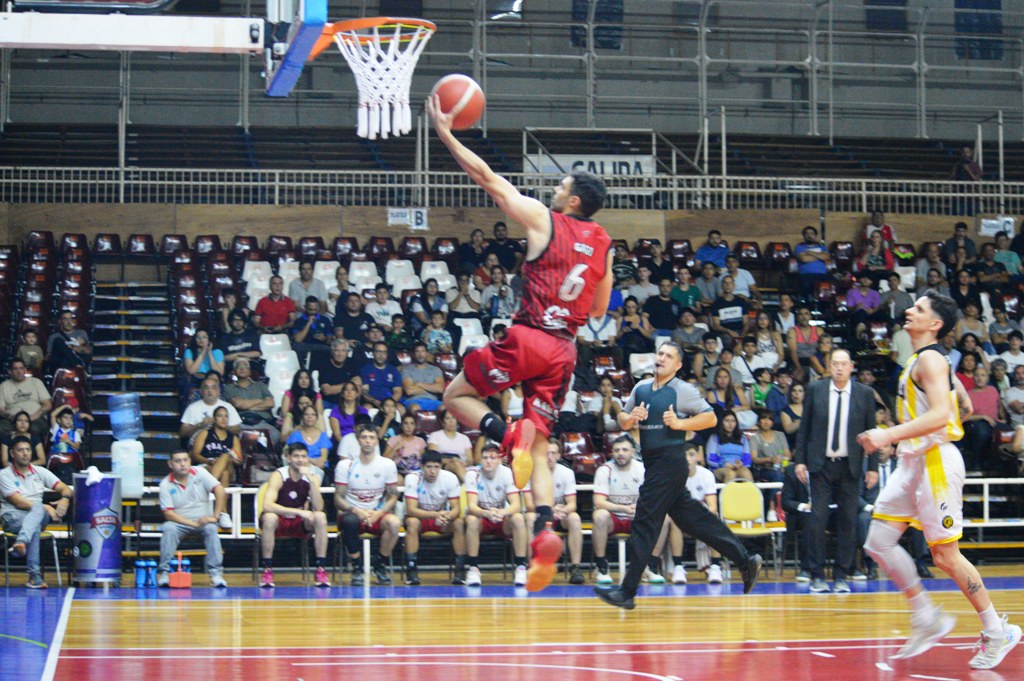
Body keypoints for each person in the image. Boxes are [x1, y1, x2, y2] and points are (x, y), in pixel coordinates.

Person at [429, 92, 613, 593]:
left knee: (456, 397)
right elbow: (598, 310)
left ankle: (505, 435)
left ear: (572, 201)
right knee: (545, 443)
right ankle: (545, 527)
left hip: (530, 335)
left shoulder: (543, 219)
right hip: (564, 351)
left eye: (562, 185)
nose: (555, 188)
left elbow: (487, 179)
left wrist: (446, 132)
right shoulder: (601, 241)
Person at [859, 292, 1021, 668]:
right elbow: (959, 407)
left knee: (945, 555)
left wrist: (889, 434)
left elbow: (939, 416)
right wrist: (921, 433)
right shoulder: (923, 360)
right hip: (913, 462)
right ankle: (925, 615)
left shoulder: (931, 359)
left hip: (934, 465)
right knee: (878, 540)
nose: (909, 310)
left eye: (918, 308)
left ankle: (998, 631)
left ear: (934, 324)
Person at [594, 341, 762, 610]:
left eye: (668, 356)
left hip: (670, 462)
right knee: (694, 520)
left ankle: (627, 591)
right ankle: (745, 560)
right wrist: (631, 418)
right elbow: (622, 420)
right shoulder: (641, 387)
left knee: (645, 521)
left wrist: (681, 423)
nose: (661, 358)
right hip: (654, 462)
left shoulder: (682, 391)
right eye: (659, 353)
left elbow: (710, 419)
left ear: (678, 365)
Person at [793, 347, 878, 594]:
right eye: (835, 364)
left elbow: (872, 432)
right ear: (829, 367)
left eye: (844, 363)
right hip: (821, 465)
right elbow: (804, 430)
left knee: (848, 522)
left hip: (850, 466)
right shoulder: (815, 390)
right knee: (817, 520)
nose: (839, 368)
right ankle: (817, 574)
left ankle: (842, 573)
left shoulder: (864, 394)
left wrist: (872, 468)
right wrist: (800, 461)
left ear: (852, 367)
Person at [0, 435, 74, 588]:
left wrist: (65, 499)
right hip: (12, 516)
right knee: (34, 526)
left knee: (34, 520)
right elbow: (17, 501)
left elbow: (65, 488)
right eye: (21, 450)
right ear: (12, 453)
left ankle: (21, 543)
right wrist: (44, 507)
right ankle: (34, 576)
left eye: (27, 450)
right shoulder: (4, 475)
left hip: (37, 517)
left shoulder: (40, 472)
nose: (25, 453)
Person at [334, 424, 401, 586]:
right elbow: (338, 498)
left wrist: (378, 513)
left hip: (377, 513)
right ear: (358, 440)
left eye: (371, 438)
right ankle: (357, 567)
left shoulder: (387, 465)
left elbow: (393, 495)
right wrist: (356, 510)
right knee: (350, 521)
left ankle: (379, 565)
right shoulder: (345, 466)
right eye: (364, 437)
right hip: (353, 513)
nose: (368, 441)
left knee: (394, 523)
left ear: (377, 441)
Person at [258, 442, 331, 588]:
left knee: (320, 517)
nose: (300, 460)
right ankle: (267, 570)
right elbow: (267, 505)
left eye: (303, 456)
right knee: (269, 518)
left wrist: (312, 482)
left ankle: (321, 569)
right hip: (280, 519)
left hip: (299, 523)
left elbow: (319, 507)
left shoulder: (311, 476)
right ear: (289, 458)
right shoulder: (279, 475)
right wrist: (299, 511)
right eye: (296, 456)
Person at [157, 450, 230, 588]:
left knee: (211, 529)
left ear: (190, 461)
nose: (182, 464)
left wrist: (215, 516)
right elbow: (169, 514)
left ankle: (216, 574)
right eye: (178, 461)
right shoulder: (165, 484)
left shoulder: (200, 473)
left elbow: (220, 490)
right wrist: (192, 524)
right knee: (168, 528)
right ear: (170, 464)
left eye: (185, 460)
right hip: (179, 522)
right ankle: (165, 573)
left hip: (204, 520)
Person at [463, 442, 530, 587]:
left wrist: (501, 512)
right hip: (482, 517)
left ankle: (520, 567)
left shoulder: (507, 473)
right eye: (485, 457)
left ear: (500, 460)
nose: (488, 461)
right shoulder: (472, 474)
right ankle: (473, 569)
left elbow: (516, 505)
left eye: (493, 458)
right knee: (471, 520)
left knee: (518, 518)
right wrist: (487, 513)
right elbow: (472, 506)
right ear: (480, 460)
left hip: (501, 517)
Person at [526, 438, 584, 584]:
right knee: (529, 517)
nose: (550, 457)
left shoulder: (566, 472)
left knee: (575, 518)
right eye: (546, 453)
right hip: (541, 515)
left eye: (553, 453)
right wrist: (551, 510)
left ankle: (575, 568)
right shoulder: (531, 471)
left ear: (559, 455)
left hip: (560, 516)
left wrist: (563, 510)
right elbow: (530, 505)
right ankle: (532, 566)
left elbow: (572, 504)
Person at [402, 450, 465, 585]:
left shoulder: (450, 478)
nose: (432, 471)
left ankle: (460, 569)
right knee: (412, 523)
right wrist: (435, 514)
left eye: (436, 467)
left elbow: (456, 508)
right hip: (421, 518)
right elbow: (411, 510)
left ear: (441, 467)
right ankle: (411, 568)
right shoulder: (412, 478)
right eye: (429, 467)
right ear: (422, 467)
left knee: (459, 523)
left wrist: (448, 516)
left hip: (441, 519)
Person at [591, 434, 645, 585]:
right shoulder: (604, 470)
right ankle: (601, 566)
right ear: (612, 453)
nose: (620, 453)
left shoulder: (642, 469)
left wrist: (639, 507)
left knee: (663, 517)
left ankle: (650, 566)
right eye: (617, 450)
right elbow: (599, 502)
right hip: (613, 518)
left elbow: (652, 499)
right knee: (599, 515)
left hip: (636, 518)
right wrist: (624, 508)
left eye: (624, 450)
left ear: (633, 452)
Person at [179, 374, 242, 445]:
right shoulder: (192, 408)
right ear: (201, 391)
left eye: (213, 388)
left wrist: (221, 424)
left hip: (224, 445)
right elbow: (182, 433)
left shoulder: (228, 407)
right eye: (206, 388)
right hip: (198, 445)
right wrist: (200, 425)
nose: (210, 390)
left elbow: (237, 431)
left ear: (219, 391)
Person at [190, 405, 242, 488]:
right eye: (220, 416)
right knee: (224, 474)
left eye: (226, 416)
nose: (223, 419)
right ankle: (220, 500)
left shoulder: (233, 438)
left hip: (228, 466)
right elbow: (195, 454)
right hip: (207, 464)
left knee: (225, 456)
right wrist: (209, 461)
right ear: (214, 419)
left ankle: (209, 488)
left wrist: (232, 459)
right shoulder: (205, 433)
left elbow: (239, 460)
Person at [0, 358, 52, 439]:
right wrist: (11, 417)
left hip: (35, 418)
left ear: (25, 370)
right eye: (15, 369)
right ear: (10, 371)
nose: (19, 371)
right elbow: (1, 409)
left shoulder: (36, 382)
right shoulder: (3, 386)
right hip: (12, 420)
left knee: (34, 429)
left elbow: (48, 404)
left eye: (21, 368)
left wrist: (30, 418)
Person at [704, 410, 754, 482]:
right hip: (719, 468)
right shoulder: (714, 437)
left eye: (733, 421)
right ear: (721, 422)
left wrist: (741, 463)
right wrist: (723, 464)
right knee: (730, 474)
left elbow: (747, 458)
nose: (730, 424)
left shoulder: (742, 438)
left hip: (738, 467)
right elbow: (710, 459)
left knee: (746, 473)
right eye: (727, 421)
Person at [285, 405, 332, 479]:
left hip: (318, 468)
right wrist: (312, 460)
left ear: (316, 418)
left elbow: (323, 459)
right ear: (302, 418)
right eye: (306, 414)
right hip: (299, 466)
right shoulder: (296, 435)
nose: (309, 417)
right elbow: (294, 455)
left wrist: (313, 463)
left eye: (313, 414)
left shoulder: (323, 436)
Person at [426, 409, 473, 481]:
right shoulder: (435, 436)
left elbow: (470, 459)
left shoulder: (464, 438)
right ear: (442, 422)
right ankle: (470, 486)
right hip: (443, 464)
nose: (451, 421)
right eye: (447, 418)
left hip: (462, 464)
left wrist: (465, 463)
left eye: (453, 418)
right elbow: (433, 457)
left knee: (459, 465)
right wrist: (451, 460)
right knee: (455, 464)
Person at [400, 343, 445, 412]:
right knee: (414, 408)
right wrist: (431, 388)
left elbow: (440, 388)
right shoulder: (407, 370)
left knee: (444, 408)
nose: (420, 354)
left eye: (423, 351)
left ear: (427, 353)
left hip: (433, 402)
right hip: (413, 401)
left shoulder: (436, 370)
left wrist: (419, 384)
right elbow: (409, 391)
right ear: (413, 354)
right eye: (417, 351)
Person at [383, 413, 426, 481]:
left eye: (412, 423)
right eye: (406, 423)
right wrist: (395, 448)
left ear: (415, 426)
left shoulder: (420, 441)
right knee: (398, 479)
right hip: (397, 472)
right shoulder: (394, 439)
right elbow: (384, 460)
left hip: (416, 472)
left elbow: (425, 461)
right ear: (402, 426)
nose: (409, 426)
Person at [181, 330, 224, 397]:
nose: (201, 340)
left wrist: (210, 354)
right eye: (198, 337)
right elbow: (191, 371)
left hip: (212, 379)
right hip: (195, 380)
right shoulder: (189, 351)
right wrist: (203, 353)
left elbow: (219, 372)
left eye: (204, 337)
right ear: (195, 339)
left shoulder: (217, 352)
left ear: (209, 339)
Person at [290, 295, 332, 365]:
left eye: (315, 310)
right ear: (305, 307)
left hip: (320, 346)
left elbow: (330, 341)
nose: (313, 312)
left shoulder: (325, 320)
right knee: (296, 346)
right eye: (310, 309)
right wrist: (308, 323)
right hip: (305, 346)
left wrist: (324, 338)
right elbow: (297, 339)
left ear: (318, 308)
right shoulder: (300, 321)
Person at [793, 225, 832, 299]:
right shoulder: (799, 247)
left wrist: (810, 253)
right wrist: (819, 256)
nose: (809, 235)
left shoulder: (822, 247)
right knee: (805, 286)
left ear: (815, 236)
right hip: (806, 275)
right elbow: (804, 259)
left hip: (822, 275)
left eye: (811, 233)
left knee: (829, 287)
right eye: (807, 234)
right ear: (804, 236)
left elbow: (826, 257)